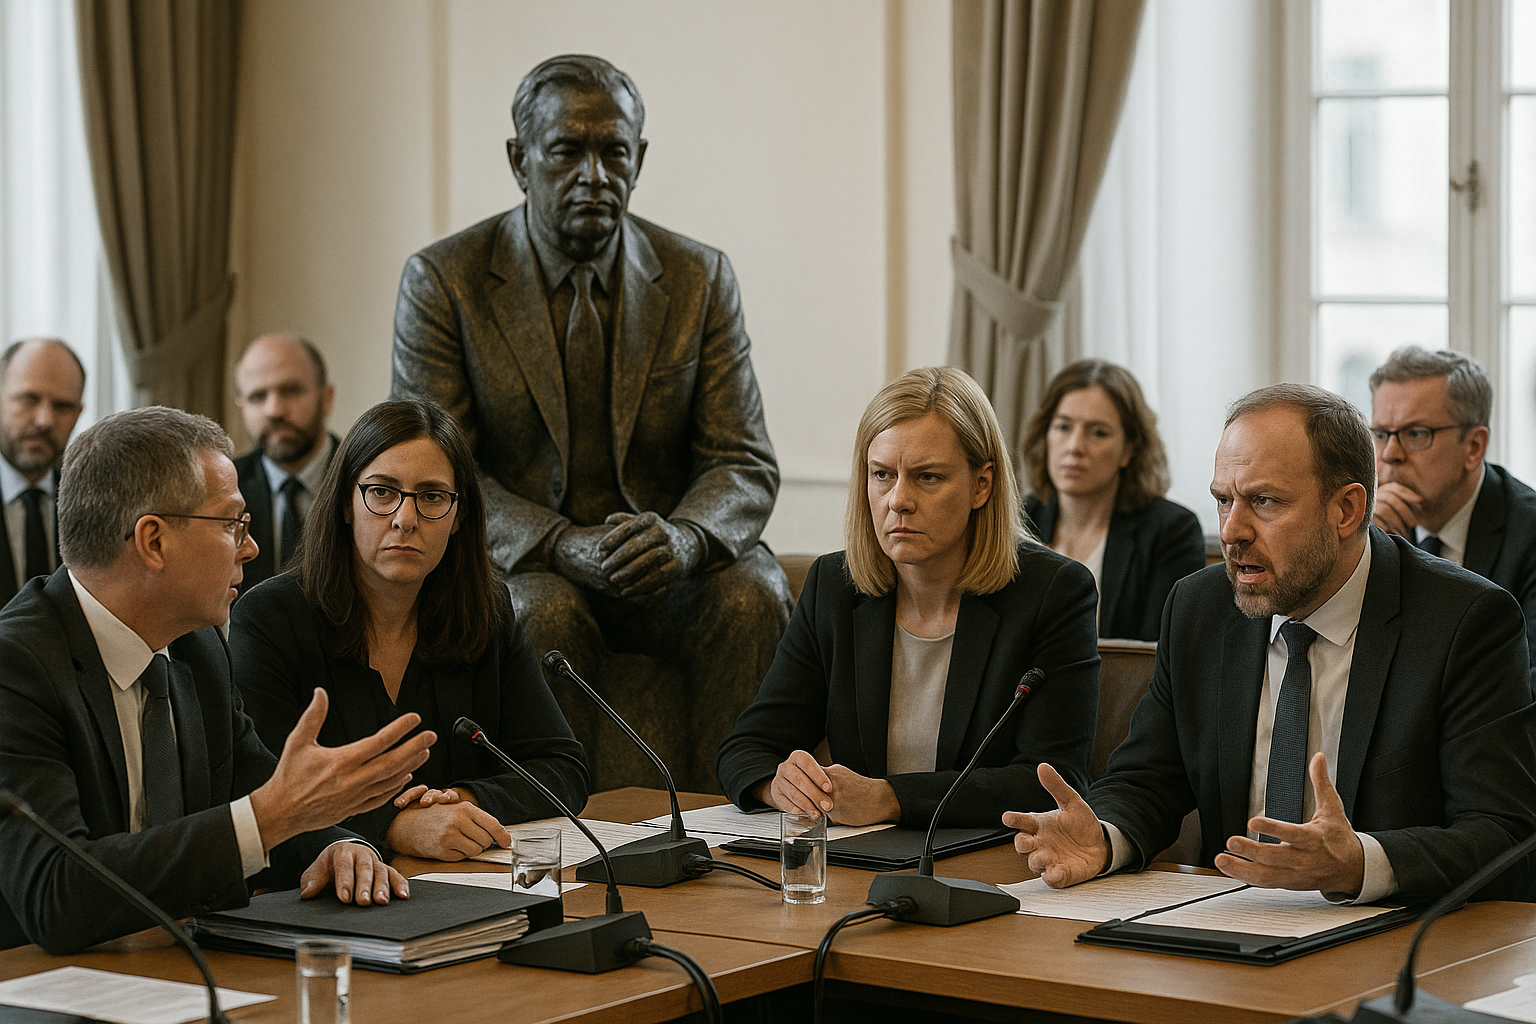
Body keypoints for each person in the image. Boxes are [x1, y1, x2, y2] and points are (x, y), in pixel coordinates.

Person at [391, 54, 791, 792]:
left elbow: (743, 460)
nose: (595, 175)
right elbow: (437, 468)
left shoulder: (700, 278)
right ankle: (555, 842)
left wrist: (685, 537)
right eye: (568, 151)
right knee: (541, 612)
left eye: (614, 153)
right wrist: (558, 543)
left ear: (639, 159)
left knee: (753, 593)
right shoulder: (444, 281)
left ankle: (738, 826)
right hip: (530, 563)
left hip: (663, 563)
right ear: (520, 161)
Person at [1007, 383, 1536, 905]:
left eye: (1264, 501)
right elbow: (1149, 779)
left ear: (1347, 510)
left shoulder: (1463, 621)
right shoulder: (1199, 609)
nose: (1233, 531)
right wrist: (1104, 837)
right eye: (1223, 501)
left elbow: (1506, 835)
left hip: (1392, 940)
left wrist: (1360, 863)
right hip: (1232, 925)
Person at [0, 406, 436, 954]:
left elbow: (257, 794)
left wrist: (337, 844)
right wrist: (275, 815)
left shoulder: (196, 647)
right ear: (153, 542)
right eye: (233, 524)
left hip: (183, 971)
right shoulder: (16, 666)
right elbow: (55, 894)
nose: (250, 548)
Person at [716, 367, 1100, 828]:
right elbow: (747, 748)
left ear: (982, 485)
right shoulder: (834, 587)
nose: (898, 499)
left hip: (991, 869)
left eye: (928, 477)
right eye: (882, 475)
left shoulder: (1053, 593)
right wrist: (777, 785)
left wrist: (891, 798)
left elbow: (1050, 780)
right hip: (860, 861)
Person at [231, 399, 589, 860]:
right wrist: (395, 827)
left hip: (470, 887)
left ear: (459, 516)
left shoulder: (486, 609)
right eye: (382, 492)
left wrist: (461, 802)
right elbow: (262, 797)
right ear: (345, 503)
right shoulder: (270, 619)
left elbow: (563, 768)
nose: (405, 518)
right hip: (331, 903)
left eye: (432, 497)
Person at [1369, 346, 1536, 686]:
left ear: (1474, 447)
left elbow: (1525, 688)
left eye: (1416, 434)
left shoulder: (1529, 536)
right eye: (1381, 434)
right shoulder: (1364, 529)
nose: (1390, 454)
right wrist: (1365, 552)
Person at [1022, 359, 1205, 641]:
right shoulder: (1019, 521)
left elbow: (1158, 656)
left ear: (1128, 450)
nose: (1074, 447)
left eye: (1098, 432)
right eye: (1062, 427)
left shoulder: (1171, 531)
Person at [233, 333, 339, 593]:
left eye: (291, 390)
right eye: (258, 396)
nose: (274, 410)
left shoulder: (368, 479)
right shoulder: (221, 490)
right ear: (242, 408)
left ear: (326, 398)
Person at [0, 338, 85, 607]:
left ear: (79, 412)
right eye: (29, 399)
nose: (45, 420)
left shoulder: (92, 498)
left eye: (63, 406)